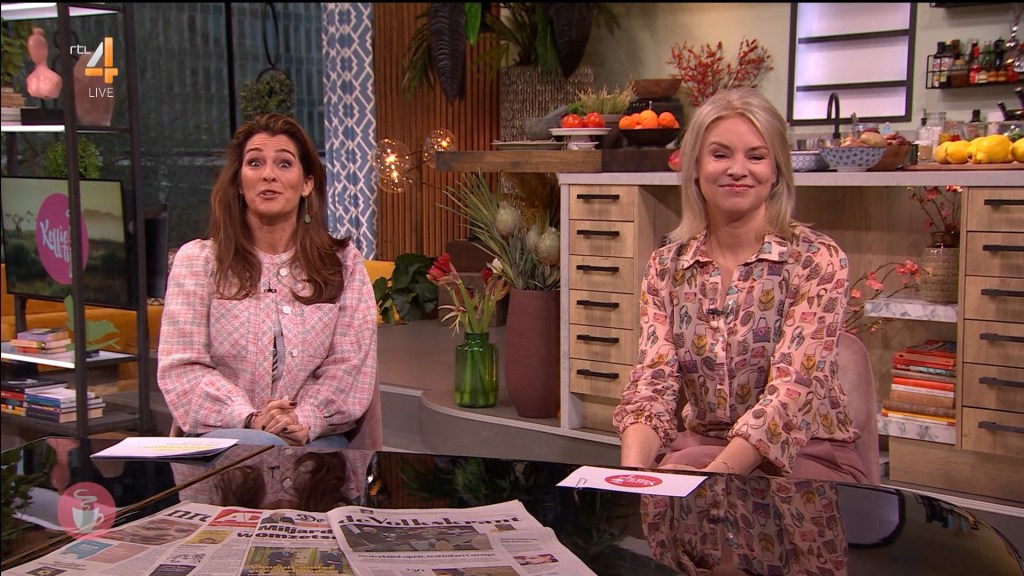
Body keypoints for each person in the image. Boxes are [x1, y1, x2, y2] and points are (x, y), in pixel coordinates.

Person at [613, 87, 867, 484]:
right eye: (720, 154)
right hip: (701, 448)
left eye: (756, 156)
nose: (737, 169)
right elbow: (652, 384)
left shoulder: (816, 259)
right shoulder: (665, 267)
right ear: (694, 167)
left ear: (776, 170)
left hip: (806, 455)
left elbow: (792, 391)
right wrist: (630, 479)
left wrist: (710, 481)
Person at [158, 113, 377, 447]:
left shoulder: (343, 263)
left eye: (284, 164)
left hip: (312, 441)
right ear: (238, 182)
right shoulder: (198, 261)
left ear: (307, 184)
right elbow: (182, 368)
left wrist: (304, 419)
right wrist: (249, 419)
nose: (269, 175)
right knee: (263, 445)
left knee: (278, 447)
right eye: (255, 163)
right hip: (220, 436)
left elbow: (350, 367)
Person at [26, 27, 62, 100]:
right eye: (31, 49)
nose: (34, 53)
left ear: (45, 50)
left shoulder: (55, 78)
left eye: (37, 48)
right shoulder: (30, 79)